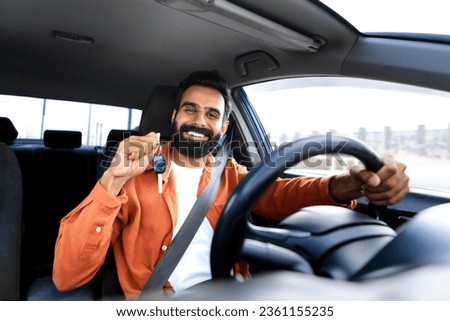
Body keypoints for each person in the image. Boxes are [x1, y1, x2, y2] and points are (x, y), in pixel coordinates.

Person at [49, 70, 408, 300]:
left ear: (222, 128)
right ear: (174, 116)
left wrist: (349, 184)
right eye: (190, 109)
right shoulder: (135, 172)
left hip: (232, 296)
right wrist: (112, 179)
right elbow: (68, 276)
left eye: (211, 114)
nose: (198, 121)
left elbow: (282, 196)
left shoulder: (229, 172)